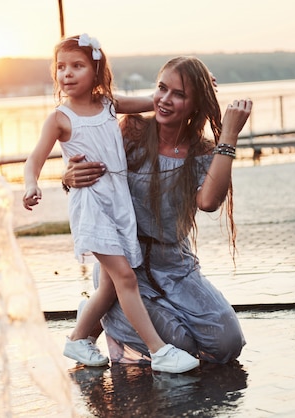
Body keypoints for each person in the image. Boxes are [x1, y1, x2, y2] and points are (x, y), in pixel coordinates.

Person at [23, 35, 200, 374]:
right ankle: (159, 351)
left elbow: (153, 101)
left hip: (118, 202)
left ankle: (78, 339)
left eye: (77, 66)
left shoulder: (107, 105)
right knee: (125, 278)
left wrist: (194, 90)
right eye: (61, 67)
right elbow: (34, 159)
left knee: (108, 287)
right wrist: (31, 184)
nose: (67, 74)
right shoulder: (60, 118)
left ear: (96, 69)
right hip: (91, 204)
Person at [62, 56, 251, 365]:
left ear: (195, 104)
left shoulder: (202, 151)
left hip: (176, 266)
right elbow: (85, 147)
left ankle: (101, 314)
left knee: (226, 343)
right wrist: (67, 177)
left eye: (179, 94)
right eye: (162, 88)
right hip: (124, 271)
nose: (165, 99)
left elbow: (208, 202)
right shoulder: (132, 132)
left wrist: (228, 137)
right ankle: (101, 312)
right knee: (180, 346)